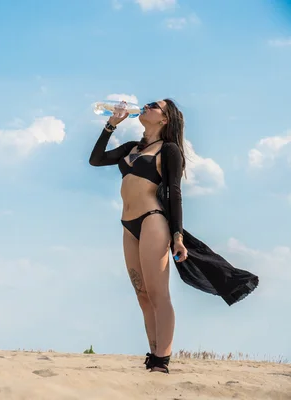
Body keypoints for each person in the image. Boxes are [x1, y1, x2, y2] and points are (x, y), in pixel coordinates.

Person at [88, 99, 259, 374]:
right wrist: (111, 125)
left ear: (164, 119)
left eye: (153, 106)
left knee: (158, 294)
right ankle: (153, 353)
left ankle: (162, 361)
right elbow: (96, 160)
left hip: (152, 221)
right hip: (127, 224)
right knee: (142, 295)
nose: (145, 106)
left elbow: (174, 194)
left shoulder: (169, 151)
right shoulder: (131, 148)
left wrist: (177, 235)